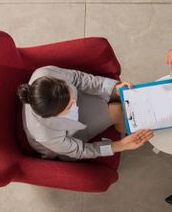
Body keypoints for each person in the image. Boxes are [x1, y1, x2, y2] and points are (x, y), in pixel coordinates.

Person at [17, 65, 153, 161]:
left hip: (62, 107)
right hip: (67, 140)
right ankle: (131, 129)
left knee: (124, 92)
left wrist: (114, 88)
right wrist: (119, 146)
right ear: (55, 115)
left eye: (71, 93)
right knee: (119, 111)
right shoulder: (46, 134)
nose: (74, 101)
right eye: (70, 105)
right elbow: (80, 151)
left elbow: (78, 79)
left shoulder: (44, 73)